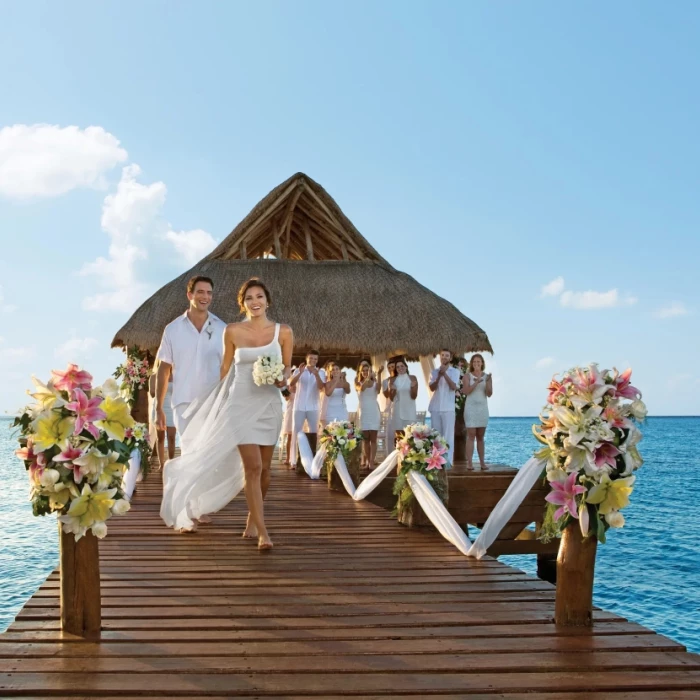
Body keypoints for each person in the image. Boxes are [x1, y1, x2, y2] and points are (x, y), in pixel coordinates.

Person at [160, 277, 293, 551]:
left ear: (268, 300)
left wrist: (281, 380)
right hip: (239, 403)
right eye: (249, 299)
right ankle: (263, 533)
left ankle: (252, 518)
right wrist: (217, 406)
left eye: (259, 297)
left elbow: (287, 369)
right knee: (253, 467)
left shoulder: (284, 332)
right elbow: (225, 370)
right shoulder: (231, 331)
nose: (255, 302)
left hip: (269, 406)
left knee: (266, 470)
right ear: (243, 304)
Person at [155, 276, 226, 454]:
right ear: (189, 295)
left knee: (209, 455)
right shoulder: (172, 329)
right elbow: (163, 371)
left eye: (209, 293)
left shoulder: (222, 329)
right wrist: (158, 408)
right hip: (184, 403)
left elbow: (228, 368)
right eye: (200, 292)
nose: (205, 297)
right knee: (190, 453)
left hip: (213, 403)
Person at [289, 350, 326, 461]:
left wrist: (316, 375)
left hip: (313, 407)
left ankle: (313, 459)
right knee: (296, 431)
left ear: (317, 360)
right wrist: (300, 373)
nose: (313, 360)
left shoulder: (321, 372)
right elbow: (291, 383)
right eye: (311, 358)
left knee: (314, 432)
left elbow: (321, 387)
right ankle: (294, 460)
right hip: (299, 406)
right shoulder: (298, 370)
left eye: (315, 359)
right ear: (307, 359)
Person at [428, 349, 460, 465]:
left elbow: (453, 387)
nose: (444, 357)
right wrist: (438, 377)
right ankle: (436, 461)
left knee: (448, 436)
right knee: (436, 436)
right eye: (442, 355)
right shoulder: (434, 372)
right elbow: (432, 388)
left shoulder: (455, 372)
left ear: (450, 358)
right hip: (435, 407)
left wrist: (444, 374)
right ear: (440, 357)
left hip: (448, 408)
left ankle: (448, 462)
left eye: (447, 356)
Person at [464, 353, 493, 469]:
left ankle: (482, 462)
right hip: (471, 408)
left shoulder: (487, 376)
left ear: (482, 363)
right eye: (474, 362)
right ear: (471, 364)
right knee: (471, 435)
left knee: (480, 436)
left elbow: (489, 394)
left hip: (482, 408)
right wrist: (476, 382)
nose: (476, 363)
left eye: (478, 361)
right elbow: (466, 391)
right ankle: (469, 463)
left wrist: (487, 382)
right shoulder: (467, 376)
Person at [149, 360, 176, 471]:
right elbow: (152, 393)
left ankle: (171, 462)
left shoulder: (176, 376)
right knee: (160, 438)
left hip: (171, 408)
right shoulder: (154, 377)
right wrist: (159, 386)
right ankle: (162, 464)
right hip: (159, 408)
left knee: (171, 437)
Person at [355, 359, 381, 468]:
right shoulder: (357, 381)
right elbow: (362, 388)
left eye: (367, 370)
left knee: (373, 438)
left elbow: (378, 390)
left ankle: (371, 461)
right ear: (360, 372)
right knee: (366, 439)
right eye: (363, 371)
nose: (365, 372)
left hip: (374, 411)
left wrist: (378, 375)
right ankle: (366, 461)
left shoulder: (374, 382)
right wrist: (368, 377)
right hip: (364, 412)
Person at [388, 359, 418, 441]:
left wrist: (412, 387)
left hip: (409, 409)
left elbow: (414, 396)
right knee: (399, 437)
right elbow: (391, 398)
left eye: (402, 366)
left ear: (406, 367)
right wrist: (392, 389)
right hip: (397, 410)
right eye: (397, 367)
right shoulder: (392, 380)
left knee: (411, 437)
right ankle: (399, 453)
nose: (400, 368)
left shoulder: (412, 378)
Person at [381, 359, 397, 451]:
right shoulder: (385, 381)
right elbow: (386, 395)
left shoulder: (401, 379)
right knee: (390, 434)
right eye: (389, 367)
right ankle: (390, 454)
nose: (391, 369)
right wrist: (390, 386)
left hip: (400, 408)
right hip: (389, 408)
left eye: (392, 367)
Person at [279, 382, 296, 467]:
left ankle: (296, 458)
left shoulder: (302, 387)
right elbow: (286, 398)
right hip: (290, 412)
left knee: (298, 437)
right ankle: (288, 458)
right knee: (290, 436)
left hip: (299, 413)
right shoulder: (289, 387)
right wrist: (289, 390)